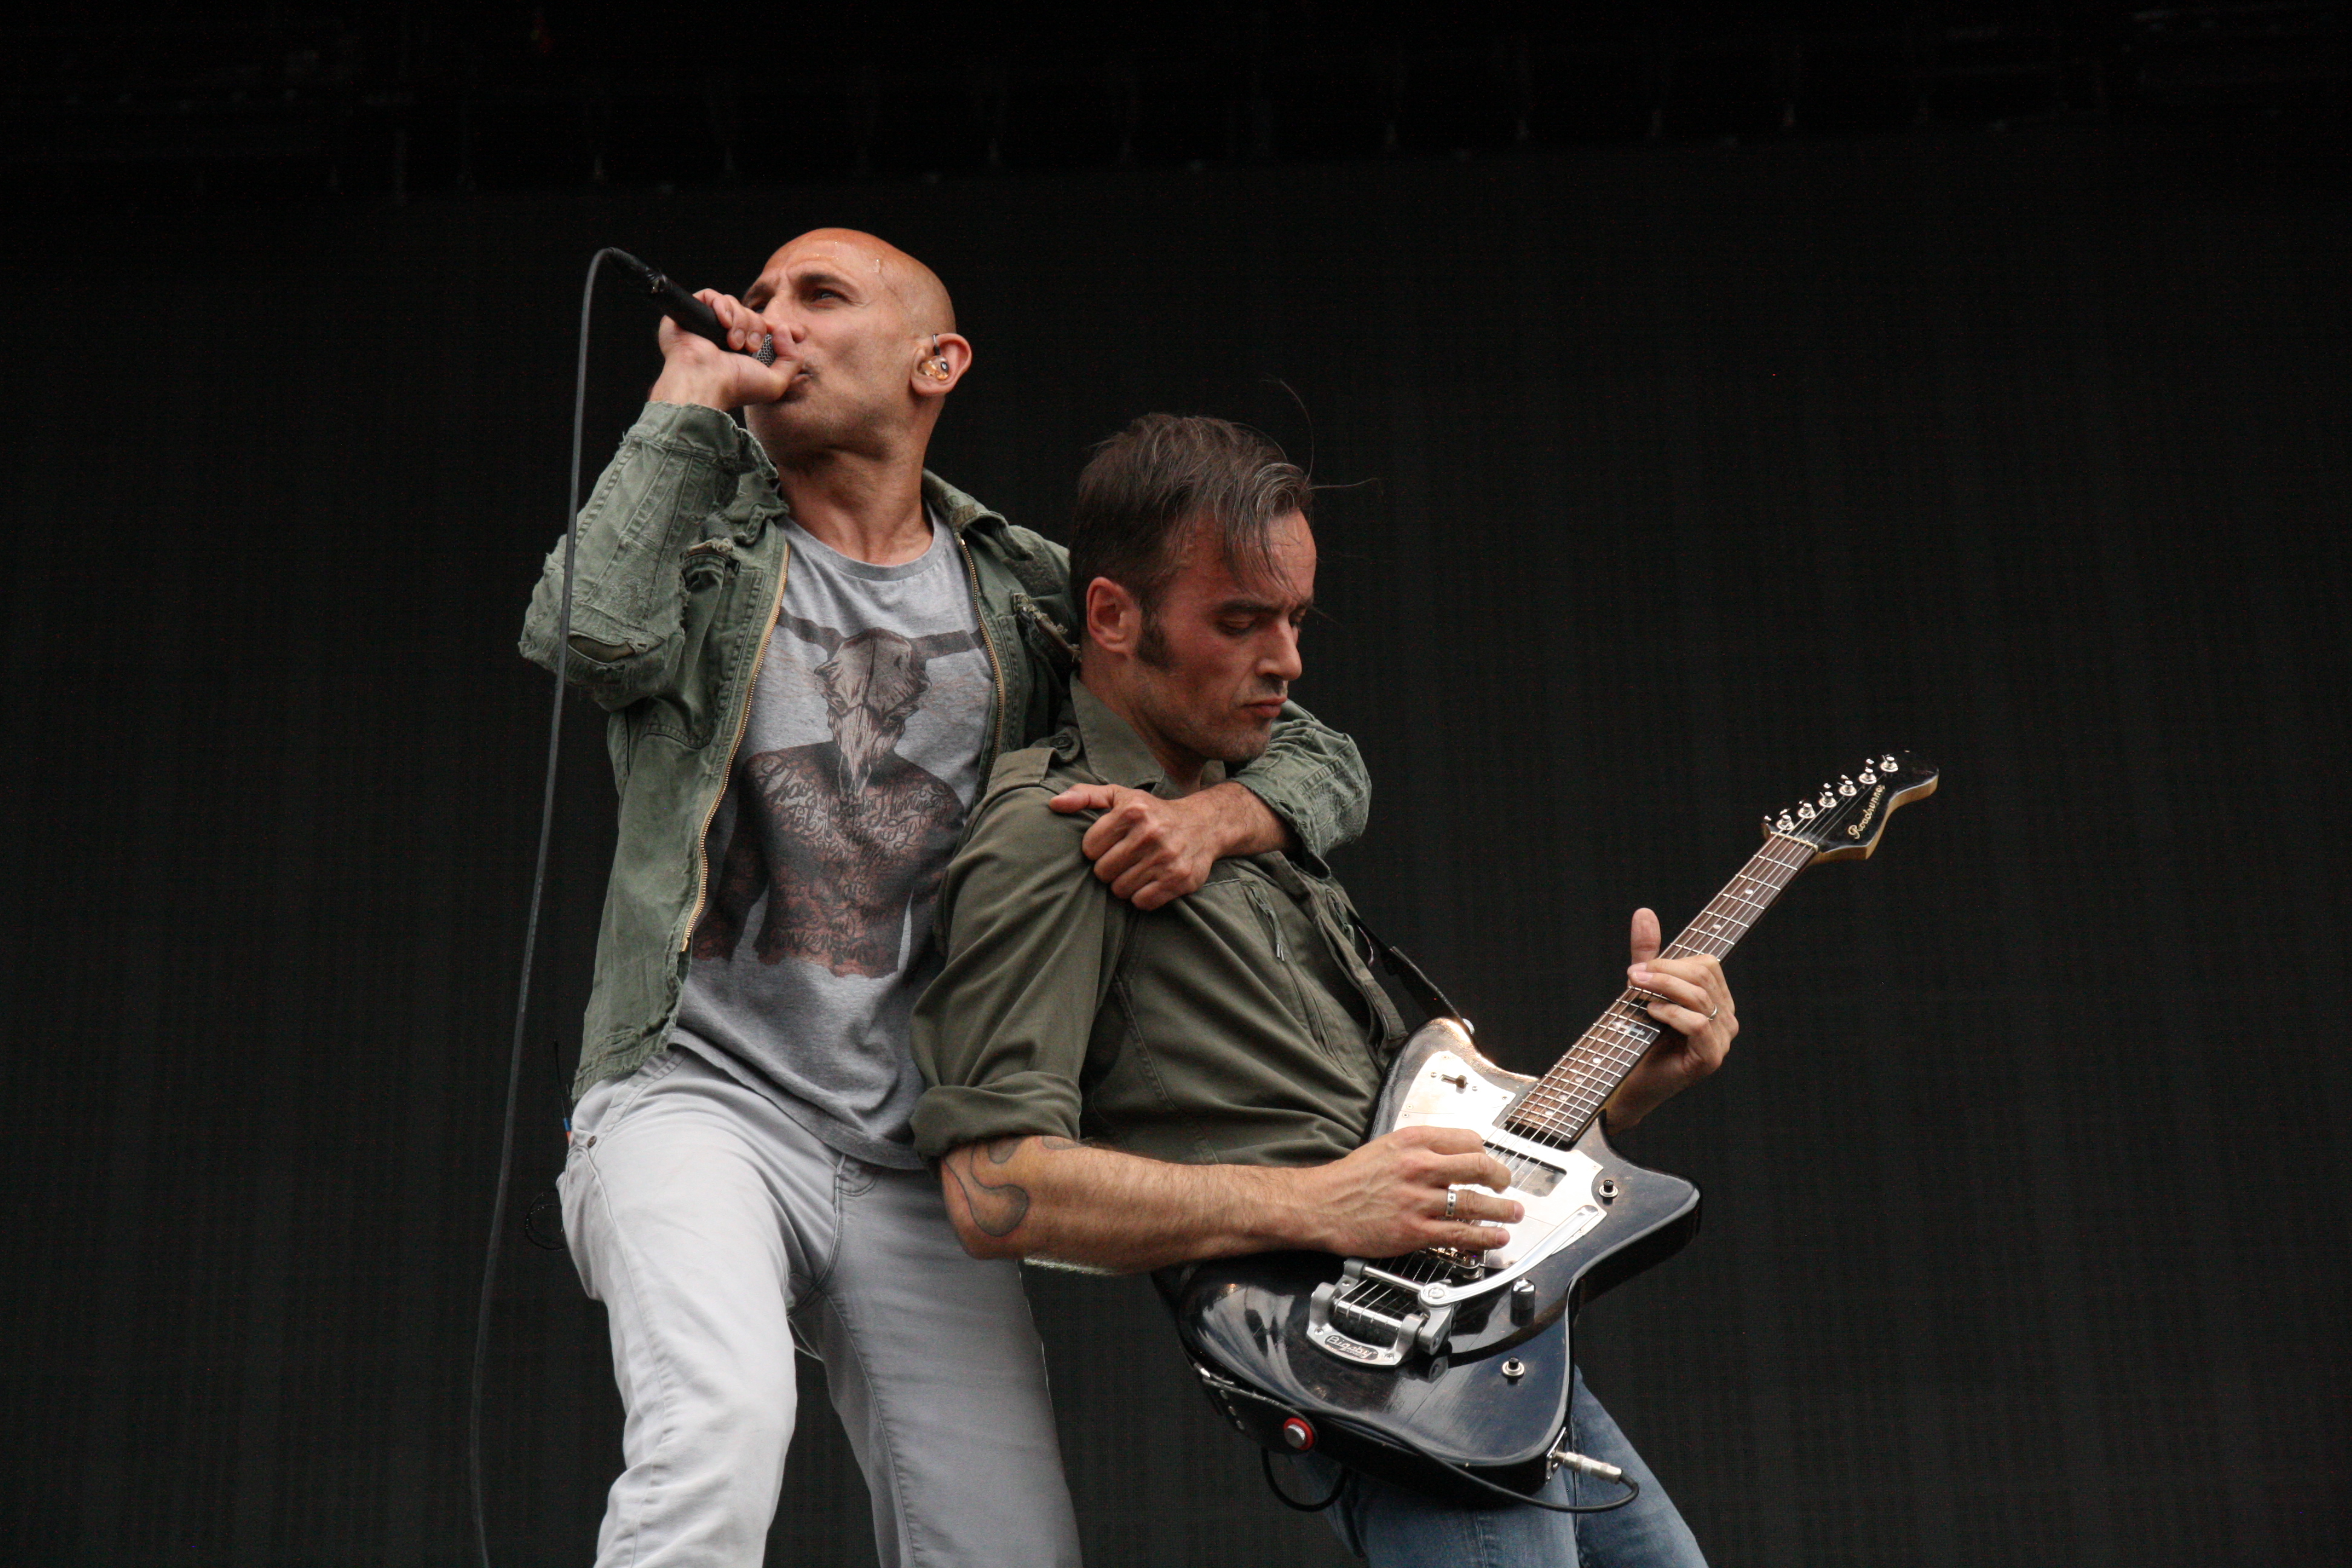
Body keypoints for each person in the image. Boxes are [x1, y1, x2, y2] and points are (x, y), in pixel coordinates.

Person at [518, 235, 1371, 1567]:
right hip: (696, 1102)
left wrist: (1216, 817)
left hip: (911, 1151)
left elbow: (1313, 748)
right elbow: (584, 631)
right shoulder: (711, 549)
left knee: (1006, 1542)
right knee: (718, 1433)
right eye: (765, 295)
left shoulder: (1024, 593)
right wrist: (687, 391)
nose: (774, 318)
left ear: (938, 363)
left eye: (822, 296)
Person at [910, 414, 1736, 1567]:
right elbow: (996, 1187)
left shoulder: (1246, 803)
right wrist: (1317, 1205)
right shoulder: (1054, 837)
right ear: (1111, 616)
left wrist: (1624, 1097)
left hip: (1483, 1348)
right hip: (1369, 1368)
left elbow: (1389, 1130)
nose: (1287, 661)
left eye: (1296, 619)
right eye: (1240, 621)